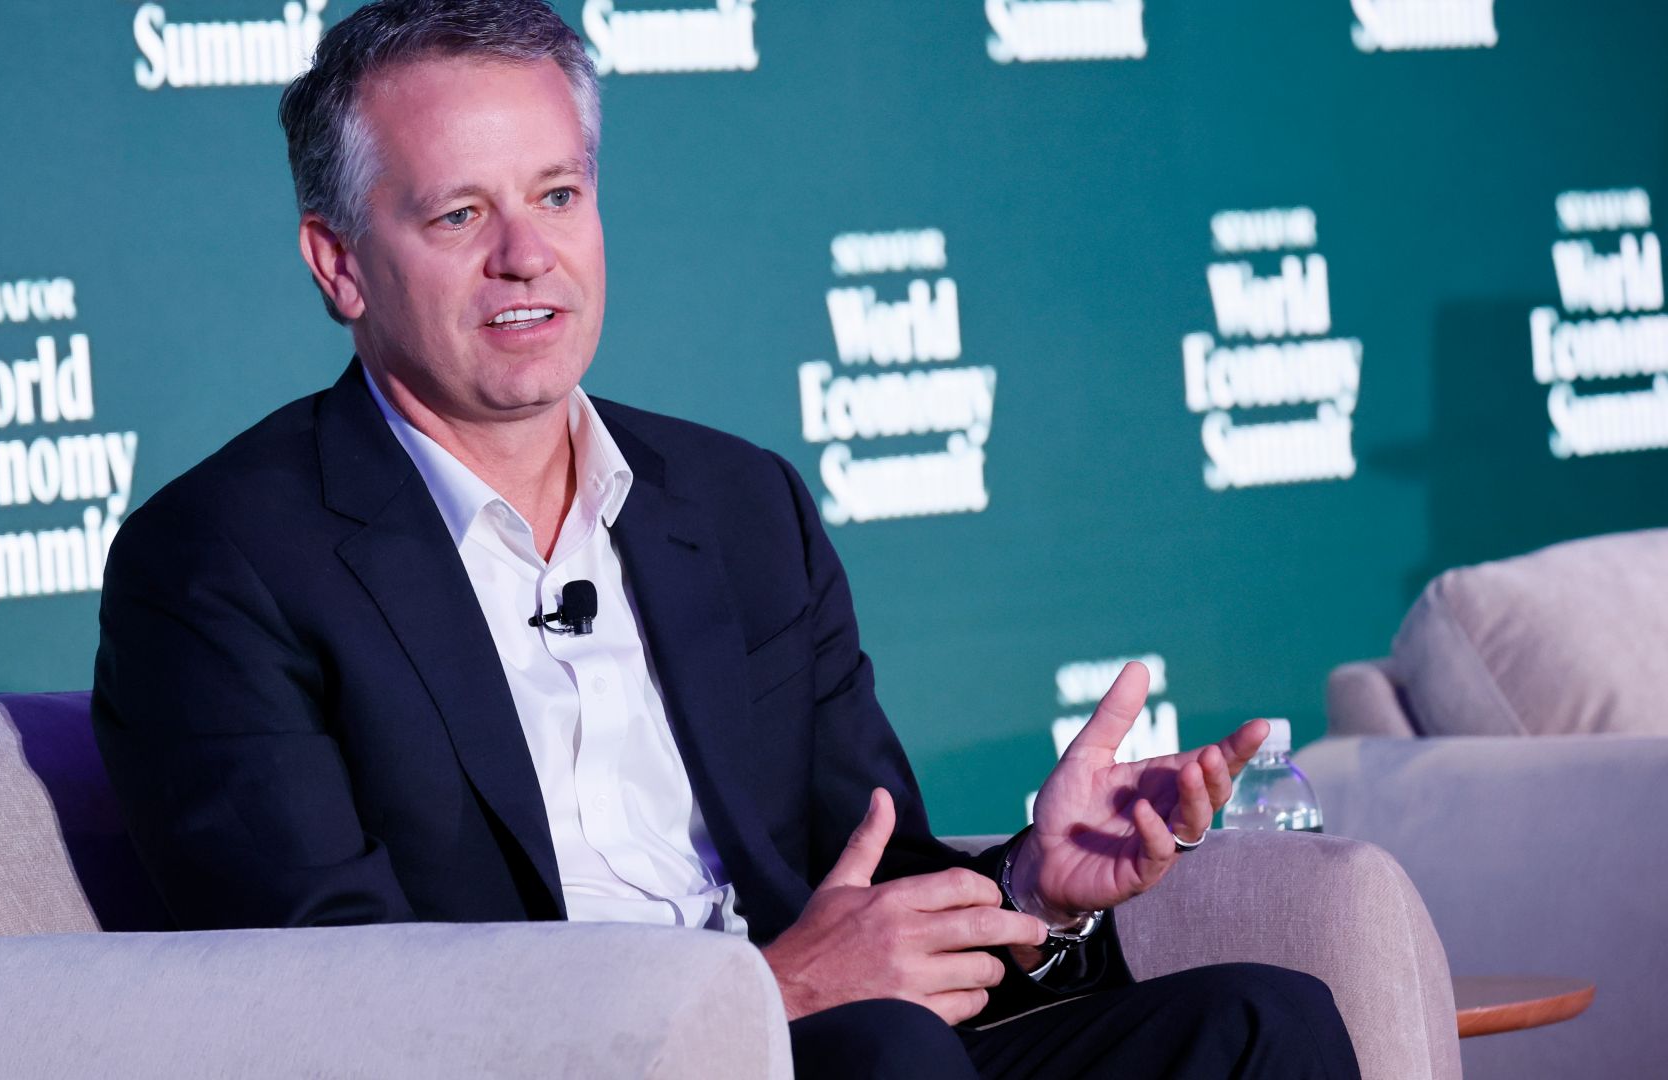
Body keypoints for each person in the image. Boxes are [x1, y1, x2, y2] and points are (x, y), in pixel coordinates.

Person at [91, 2, 1360, 1076]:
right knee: (884, 1051)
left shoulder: (738, 504)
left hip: (848, 1048)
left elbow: (866, 872)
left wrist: (1030, 883)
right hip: (569, 1063)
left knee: (1263, 1025)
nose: (527, 255)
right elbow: (334, 986)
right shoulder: (219, 562)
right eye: (459, 216)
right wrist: (762, 998)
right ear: (340, 265)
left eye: (557, 195)